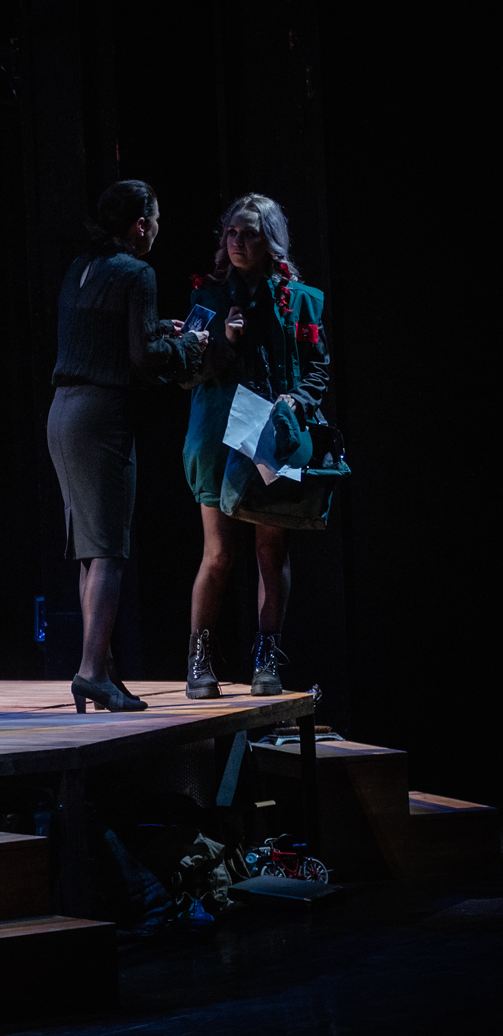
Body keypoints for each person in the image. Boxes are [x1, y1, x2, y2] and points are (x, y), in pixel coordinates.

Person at [48, 180, 205, 713]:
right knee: (110, 550)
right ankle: (92, 672)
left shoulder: (81, 266)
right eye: (155, 221)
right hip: (100, 415)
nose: (156, 230)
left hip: (62, 412)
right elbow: (143, 358)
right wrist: (187, 345)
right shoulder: (138, 272)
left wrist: (158, 327)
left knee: (89, 550)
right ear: (141, 225)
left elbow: (104, 332)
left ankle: (101, 668)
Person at [182, 193, 328, 698]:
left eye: (249, 234)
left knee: (271, 550)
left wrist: (297, 400)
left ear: (271, 241)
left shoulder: (299, 299)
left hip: (269, 434)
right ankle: (199, 661)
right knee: (219, 553)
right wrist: (224, 341)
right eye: (232, 233)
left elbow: (318, 368)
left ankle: (268, 660)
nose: (238, 242)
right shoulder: (208, 297)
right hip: (217, 434)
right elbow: (186, 371)